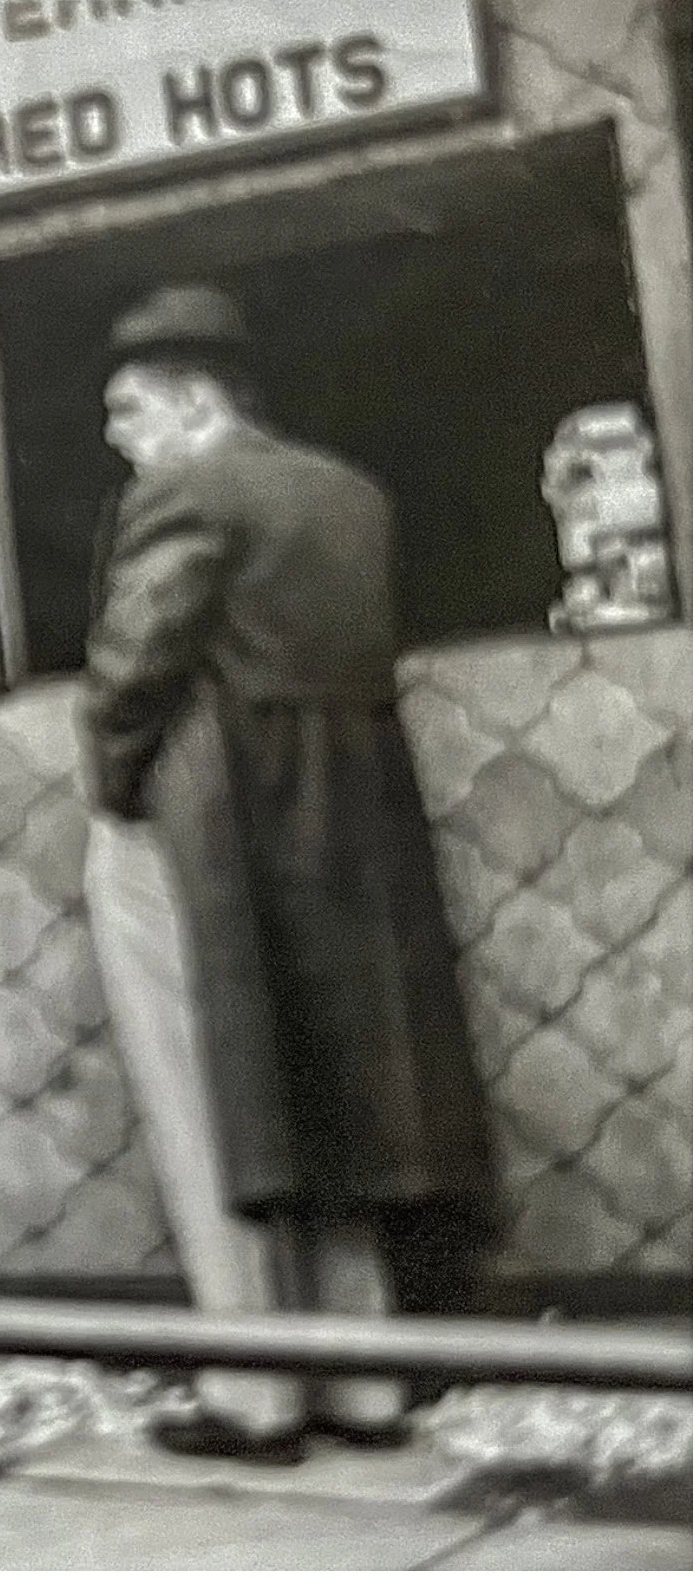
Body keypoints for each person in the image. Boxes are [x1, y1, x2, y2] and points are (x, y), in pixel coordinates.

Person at [80, 284, 498, 1464]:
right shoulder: (352, 494)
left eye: (130, 409)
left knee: (217, 1094)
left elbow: (134, 668)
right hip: (350, 820)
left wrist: (113, 786)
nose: (118, 436)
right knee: (334, 1085)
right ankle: (364, 1386)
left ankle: (255, 1393)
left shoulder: (184, 494)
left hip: (209, 819)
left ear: (194, 401)